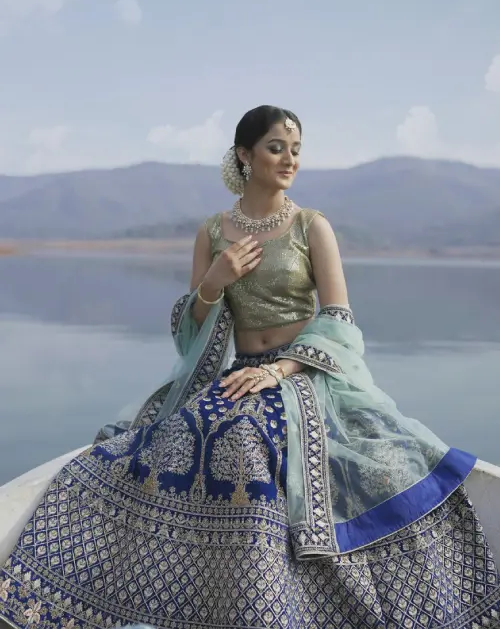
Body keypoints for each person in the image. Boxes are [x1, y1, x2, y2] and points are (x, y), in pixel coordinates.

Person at [0, 105, 498, 629]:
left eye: (297, 149)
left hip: (303, 374)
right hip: (240, 373)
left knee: (254, 442)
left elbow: (340, 320)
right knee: (168, 440)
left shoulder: (312, 226)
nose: (290, 160)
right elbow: (188, 334)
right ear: (245, 155)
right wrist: (214, 281)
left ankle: (274, 606)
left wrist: (279, 370)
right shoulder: (212, 232)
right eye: (277, 147)